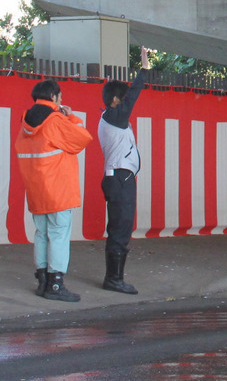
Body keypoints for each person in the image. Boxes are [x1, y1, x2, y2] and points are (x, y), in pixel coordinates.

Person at [15, 79, 93, 302]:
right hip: (58, 190)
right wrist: (70, 116)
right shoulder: (55, 120)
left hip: (36, 190)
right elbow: (82, 138)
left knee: (41, 234)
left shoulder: (25, 124)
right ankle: (56, 285)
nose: (62, 100)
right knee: (58, 235)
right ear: (53, 97)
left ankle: (42, 281)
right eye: (60, 96)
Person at [97, 47, 151, 294]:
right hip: (119, 178)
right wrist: (143, 69)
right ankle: (114, 279)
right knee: (121, 226)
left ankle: (114, 277)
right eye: (122, 98)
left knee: (121, 225)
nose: (126, 102)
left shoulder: (113, 119)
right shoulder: (113, 116)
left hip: (120, 177)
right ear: (115, 100)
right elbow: (132, 97)